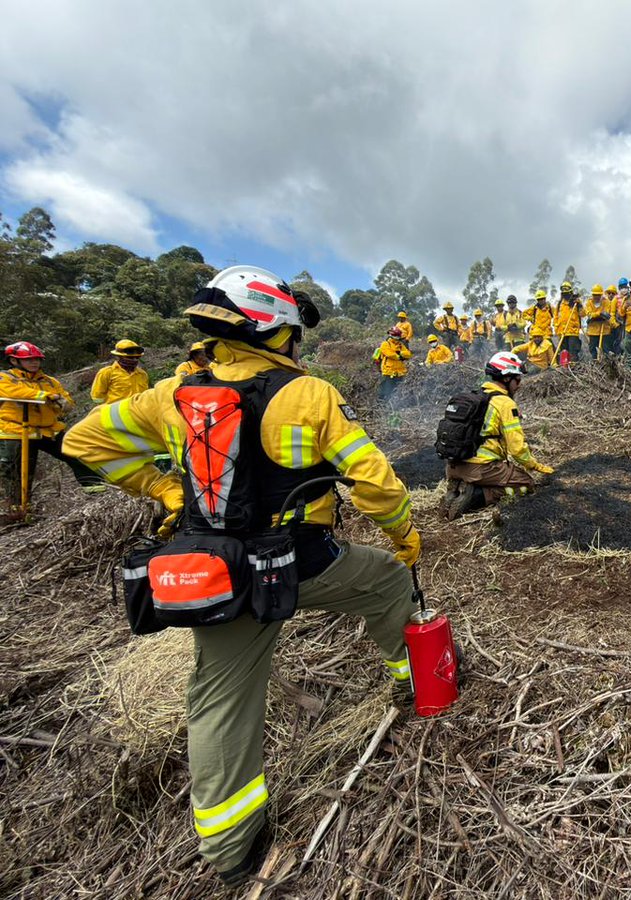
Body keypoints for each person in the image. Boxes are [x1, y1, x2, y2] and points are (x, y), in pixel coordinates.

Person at [62, 265, 421, 886]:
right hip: (302, 563)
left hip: (216, 574)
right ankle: (407, 682)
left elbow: (84, 441)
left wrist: (163, 488)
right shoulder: (307, 394)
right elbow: (374, 482)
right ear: (275, 330)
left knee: (221, 701)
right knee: (388, 581)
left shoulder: (169, 396)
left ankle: (232, 851)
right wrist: (404, 536)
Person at [442, 351, 554, 520]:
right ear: (507, 378)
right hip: (480, 469)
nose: (520, 384)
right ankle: (476, 496)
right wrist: (534, 466)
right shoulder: (505, 403)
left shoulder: (478, 396)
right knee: (526, 484)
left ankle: (458, 486)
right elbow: (516, 450)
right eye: (517, 379)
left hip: (453, 466)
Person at [0, 341, 105, 519]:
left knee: (78, 453)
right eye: (29, 359)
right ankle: (17, 511)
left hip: (49, 430)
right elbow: (13, 392)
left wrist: (63, 404)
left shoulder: (49, 381)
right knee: (16, 472)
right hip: (16, 431)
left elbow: (65, 399)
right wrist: (45, 396)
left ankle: (98, 493)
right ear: (14, 361)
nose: (35, 363)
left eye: (37, 360)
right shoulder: (6, 378)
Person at [91, 339, 151, 404]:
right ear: (120, 357)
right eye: (130, 358)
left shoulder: (142, 374)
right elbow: (97, 397)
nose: (134, 360)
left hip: (137, 412)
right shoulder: (107, 373)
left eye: (137, 357)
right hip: (115, 413)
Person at [373, 326, 413, 402]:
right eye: (396, 336)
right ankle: (381, 404)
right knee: (386, 389)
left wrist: (400, 354)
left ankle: (393, 404)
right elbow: (390, 354)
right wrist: (400, 356)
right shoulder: (385, 344)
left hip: (400, 372)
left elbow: (408, 354)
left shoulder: (401, 345)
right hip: (389, 371)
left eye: (398, 336)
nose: (397, 338)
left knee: (396, 390)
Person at [583, 283, 614, 359]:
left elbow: (607, 313)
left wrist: (598, 315)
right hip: (593, 330)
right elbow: (589, 314)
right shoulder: (588, 303)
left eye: (598, 295)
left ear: (601, 295)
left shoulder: (606, 302)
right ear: (592, 295)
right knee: (592, 348)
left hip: (604, 330)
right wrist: (599, 313)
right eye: (595, 295)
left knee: (605, 348)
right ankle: (595, 363)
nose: (596, 297)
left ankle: (607, 365)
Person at [554, 287, 583, 363]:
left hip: (572, 331)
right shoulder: (560, 304)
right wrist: (556, 328)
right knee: (564, 352)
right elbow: (556, 317)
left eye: (567, 293)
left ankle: (574, 367)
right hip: (562, 332)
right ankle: (564, 368)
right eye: (563, 294)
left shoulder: (576, 302)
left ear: (570, 293)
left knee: (573, 351)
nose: (565, 295)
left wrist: (579, 305)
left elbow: (583, 314)